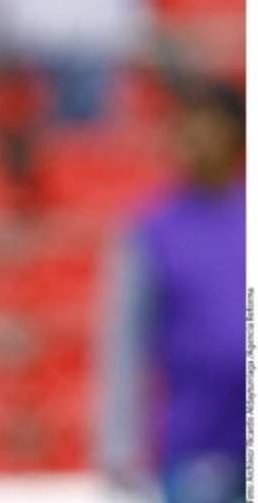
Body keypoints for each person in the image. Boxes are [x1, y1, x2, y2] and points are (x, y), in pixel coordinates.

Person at [96, 80, 245, 503]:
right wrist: (118, 445)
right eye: (185, 130)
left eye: (207, 129)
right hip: (194, 445)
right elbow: (125, 342)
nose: (194, 142)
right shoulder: (152, 230)